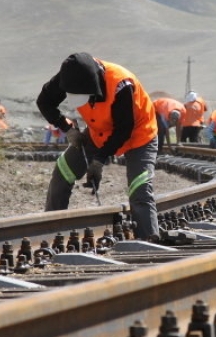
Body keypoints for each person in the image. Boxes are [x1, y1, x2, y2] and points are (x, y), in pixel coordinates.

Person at [36, 52, 160, 241]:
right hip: (98, 133)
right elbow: (44, 101)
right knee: (62, 172)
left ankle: (149, 241)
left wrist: (99, 161)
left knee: (139, 189)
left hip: (139, 135)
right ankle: (51, 234)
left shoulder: (121, 85)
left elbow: (123, 130)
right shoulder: (68, 76)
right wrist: (66, 128)